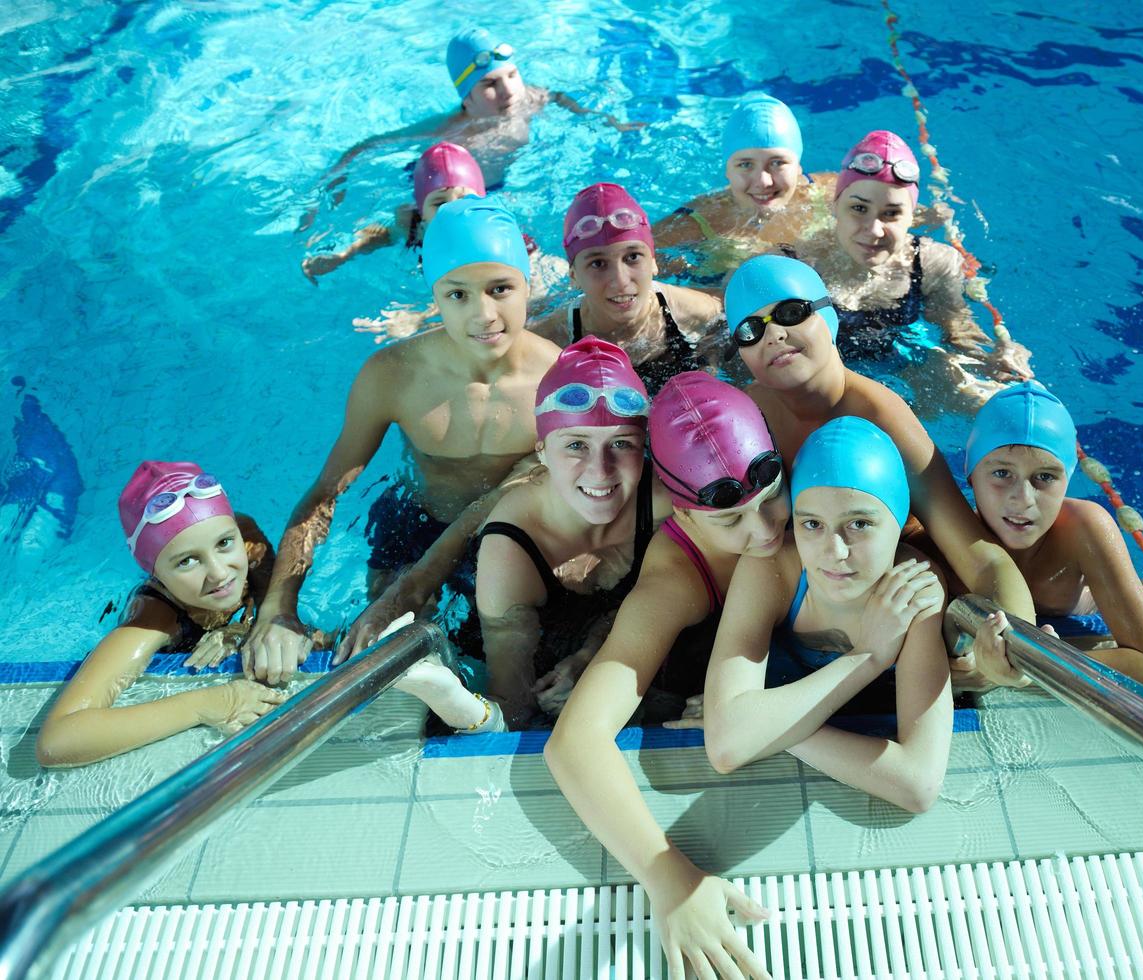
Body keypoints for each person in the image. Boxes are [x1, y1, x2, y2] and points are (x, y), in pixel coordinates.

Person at [243, 198, 560, 685]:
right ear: (434, 294)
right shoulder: (391, 376)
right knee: (379, 651)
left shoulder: (558, 379)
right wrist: (278, 609)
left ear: (528, 284)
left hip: (507, 530)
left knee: (523, 651)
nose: (484, 314)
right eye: (458, 295)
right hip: (414, 522)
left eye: (501, 289)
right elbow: (326, 494)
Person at [544, 373, 789, 979]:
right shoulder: (675, 574)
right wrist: (670, 880)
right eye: (729, 520)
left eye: (770, 501)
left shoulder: (814, 490)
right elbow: (575, 743)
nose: (763, 533)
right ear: (683, 509)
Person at [725, 254, 1036, 692]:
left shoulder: (881, 416)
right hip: (801, 593)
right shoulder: (746, 417)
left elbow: (979, 556)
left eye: (792, 313)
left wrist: (1009, 647)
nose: (774, 333)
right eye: (750, 330)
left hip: (884, 583)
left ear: (828, 314)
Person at [704, 416, 953, 815]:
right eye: (812, 524)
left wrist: (767, 726)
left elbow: (918, 784)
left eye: (859, 524)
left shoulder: (914, 590)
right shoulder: (774, 568)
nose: (834, 552)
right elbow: (727, 746)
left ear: (899, 520)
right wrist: (868, 656)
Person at [470, 336, 673, 728]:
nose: (601, 470)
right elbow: (512, 702)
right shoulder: (511, 547)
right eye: (577, 444)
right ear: (541, 450)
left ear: (644, 448)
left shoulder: (662, 500)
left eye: (621, 444)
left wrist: (596, 653)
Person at [35, 463, 288, 767]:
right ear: (155, 571)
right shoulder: (152, 621)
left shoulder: (245, 534)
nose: (220, 573)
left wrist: (241, 632)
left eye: (223, 543)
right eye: (187, 561)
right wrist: (209, 703)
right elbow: (57, 741)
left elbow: (276, 606)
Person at [965, 381, 1143, 690]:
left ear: (1067, 481)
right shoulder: (951, 536)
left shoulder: (1084, 527)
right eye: (1001, 473)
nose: (1023, 499)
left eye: (1045, 477)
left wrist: (1034, 666)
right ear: (971, 475)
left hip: (1088, 604)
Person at [795, 129, 1032, 388]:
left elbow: (958, 333)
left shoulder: (932, 263)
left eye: (892, 213)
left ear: (913, 217)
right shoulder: (796, 263)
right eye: (859, 208)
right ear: (835, 207)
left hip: (903, 370)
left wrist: (997, 358)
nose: (874, 230)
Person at [327, 30, 641, 194]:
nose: (508, 91)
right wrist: (334, 183)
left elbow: (559, 97)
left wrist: (611, 123)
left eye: (512, 76)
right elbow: (368, 145)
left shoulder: (529, 98)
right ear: (467, 99)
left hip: (500, 186)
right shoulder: (451, 131)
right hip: (448, 191)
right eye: (490, 84)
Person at [305, 142, 567, 320]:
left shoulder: (494, 233)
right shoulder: (412, 226)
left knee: (534, 306)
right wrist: (343, 255)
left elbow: (478, 293)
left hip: (522, 271)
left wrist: (418, 317)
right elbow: (377, 235)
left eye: (466, 198)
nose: (455, 209)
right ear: (422, 213)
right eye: (439, 202)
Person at [529, 183, 723, 393]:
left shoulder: (693, 310)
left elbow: (724, 325)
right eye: (598, 264)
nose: (620, 281)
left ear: (654, 262)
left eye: (632, 257)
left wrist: (709, 364)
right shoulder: (551, 338)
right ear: (574, 276)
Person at [651, 92, 835, 276]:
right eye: (745, 165)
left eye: (777, 163)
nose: (764, 181)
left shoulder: (827, 192)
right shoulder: (699, 222)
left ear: (798, 167)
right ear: (727, 171)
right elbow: (638, 260)